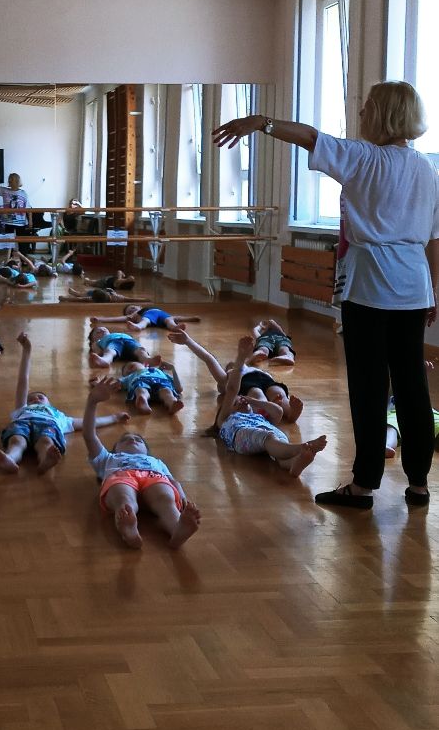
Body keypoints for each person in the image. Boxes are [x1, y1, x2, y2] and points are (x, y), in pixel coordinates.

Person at [214, 81, 439, 509]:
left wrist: (262, 123)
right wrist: (433, 291)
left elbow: (310, 137)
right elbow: (434, 238)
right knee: (413, 386)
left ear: (384, 114)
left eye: (367, 107)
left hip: (371, 288)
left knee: (370, 388)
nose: (361, 114)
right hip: (413, 287)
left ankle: (363, 486)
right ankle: (419, 485)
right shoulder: (427, 169)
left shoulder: (364, 157)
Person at [82, 377, 200, 550]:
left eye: (138, 439)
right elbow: (89, 435)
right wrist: (92, 401)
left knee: (166, 498)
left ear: (146, 451)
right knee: (124, 498)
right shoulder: (108, 458)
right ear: (115, 449)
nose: (132, 439)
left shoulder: (156, 462)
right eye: (125, 439)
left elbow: (172, 481)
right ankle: (128, 528)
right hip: (121, 476)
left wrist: (182, 498)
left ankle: (177, 528)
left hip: (153, 477)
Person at [0, 332, 129, 475]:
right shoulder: (22, 408)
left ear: (49, 403)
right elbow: (23, 380)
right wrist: (27, 350)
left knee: (46, 442)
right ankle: (10, 458)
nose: (36, 399)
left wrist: (114, 418)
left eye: (40, 397)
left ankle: (45, 459)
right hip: (22, 423)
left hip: (48, 425)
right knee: (16, 441)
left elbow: (88, 422)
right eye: (31, 399)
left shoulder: (60, 416)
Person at [214, 336, 328, 477]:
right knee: (269, 438)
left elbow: (278, 412)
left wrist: (254, 401)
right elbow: (232, 389)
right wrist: (241, 357)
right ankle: (301, 448)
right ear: (228, 410)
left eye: (242, 400)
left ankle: (293, 463)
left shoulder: (258, 416)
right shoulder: (225, 419)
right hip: (242, 436)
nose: (242, 402)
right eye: (236, 403)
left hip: (268, 434)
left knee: (277, 446)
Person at [170, 329, 303, 423]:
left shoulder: (249, 367)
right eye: (230, 366)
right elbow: (209, 359)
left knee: (279, 393)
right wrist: (188, 341)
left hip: (266, 379)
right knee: (256, 394)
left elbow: (213, 360)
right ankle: (268, 410)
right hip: (248, 384)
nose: (232, 364)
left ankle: (289, 411)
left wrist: (248, 359)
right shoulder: (227, 378)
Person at [117, 360, 184, 415]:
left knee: (167, 391)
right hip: (141, 380)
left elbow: (179, 388)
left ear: (145, 364)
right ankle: (143, 400)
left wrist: (173, 369)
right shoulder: (132, 376)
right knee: (140, 389)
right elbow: (118, 383)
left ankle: (172, 403)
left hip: (162, 382)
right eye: (127, 373)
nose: (130, 371)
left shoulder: (161, 372)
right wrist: (116, 384)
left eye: (131, 366)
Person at [88, 325, 162, 369]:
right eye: (98, 332)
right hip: (114, 342)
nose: (102, 330)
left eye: (104, 329)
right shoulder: (98, 342)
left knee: (141, 350)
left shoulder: (115, 334)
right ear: (94, 339)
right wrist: (96, 350)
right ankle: (105, 360)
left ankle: (147, 360)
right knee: (110, 351)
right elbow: (98, 351)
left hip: (129, 341)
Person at [89, 304, 201, 331]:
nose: (132, 310)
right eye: (129, 311)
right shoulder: (137, 314)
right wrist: (100, 319)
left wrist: (191, 318)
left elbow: (177, 317)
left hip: (162, 314)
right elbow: (118, 319)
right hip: (148, 315)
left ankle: (175, 327)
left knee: (170, 320)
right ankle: (139, 326)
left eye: (133, 308)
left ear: (139, 306)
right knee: (145, 320)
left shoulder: (149, 307)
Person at [58, 287, 150, 305]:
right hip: (109, 292)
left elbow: (80, 299)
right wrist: (145, 299)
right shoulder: (117, 298)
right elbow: (131, 299)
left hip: (105, 293)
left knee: (82, 295)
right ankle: (75, 293)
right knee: (84, 295)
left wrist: (65, 298)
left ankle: (75, 293)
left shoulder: (92, 299)